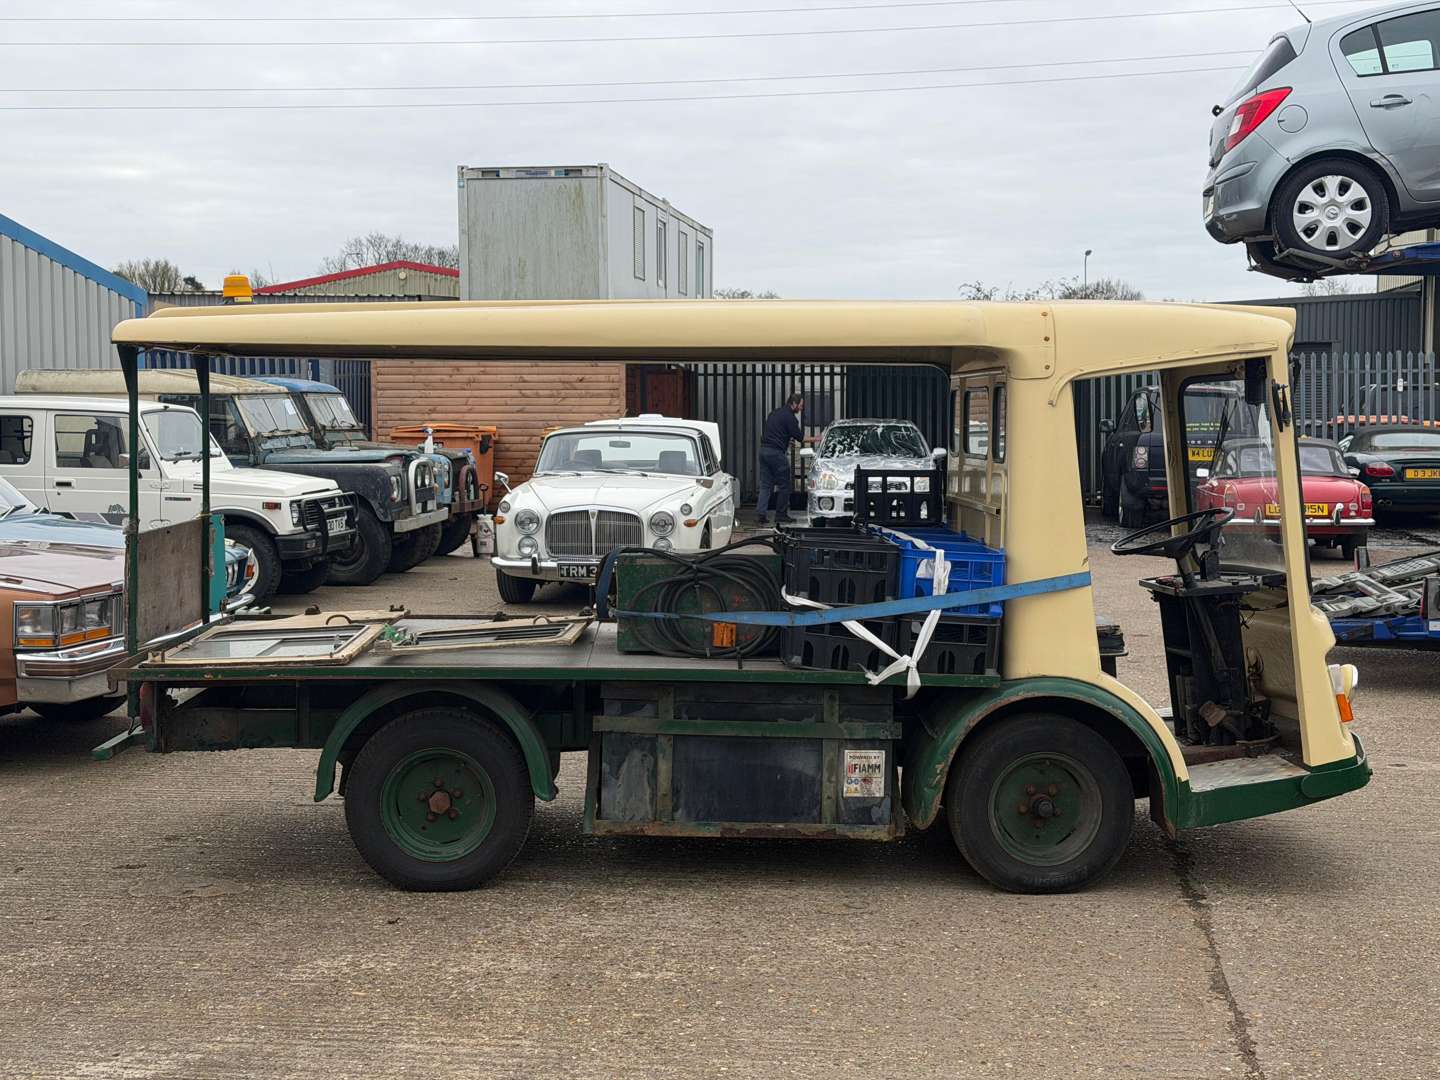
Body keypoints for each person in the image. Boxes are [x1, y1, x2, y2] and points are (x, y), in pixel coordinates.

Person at [756, 392, 804, 526]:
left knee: (765, 484)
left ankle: (761, 514)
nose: (801, 408)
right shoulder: (790, 418)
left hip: (764, 451)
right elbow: (800, 437)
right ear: (793, 403)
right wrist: (817, 439)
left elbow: (774, 433)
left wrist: (786, 441)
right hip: (776, 454)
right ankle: (781, 514)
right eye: (800, 405)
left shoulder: (774, 413)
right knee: (785, 485)